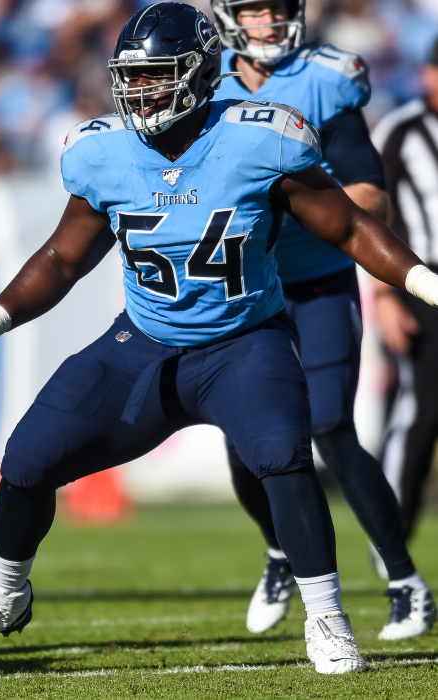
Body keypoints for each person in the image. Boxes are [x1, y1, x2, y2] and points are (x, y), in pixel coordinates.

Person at [0, 1, 437, 674]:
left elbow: (348, 227)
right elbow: (60, 259)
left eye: (157, 75)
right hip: (144, 345)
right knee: (27, 459)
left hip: (244, 341)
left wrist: (424, 282)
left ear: (199, 74)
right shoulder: (104, 152)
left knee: (281, 454)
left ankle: (327, 616)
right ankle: (4, 595)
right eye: (131, 77)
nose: (140, 91)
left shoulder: (261, 138)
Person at [211, 0, 436, 640]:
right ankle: (279, 551)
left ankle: (405, 581)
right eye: (254, 10)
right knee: (244, 444)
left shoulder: (324, 79)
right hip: (245, 291)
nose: (268, 22)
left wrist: (289, 211)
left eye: (277, 9)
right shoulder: (204, 84)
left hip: (316, 279)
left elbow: (370, 192)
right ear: (230, 17)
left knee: (332, 427)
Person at [371, 37, 438, 547]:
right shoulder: (401, 131)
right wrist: (386, 297)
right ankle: (391, 538)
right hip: (423, 282)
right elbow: (370, 220)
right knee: (423, 409)